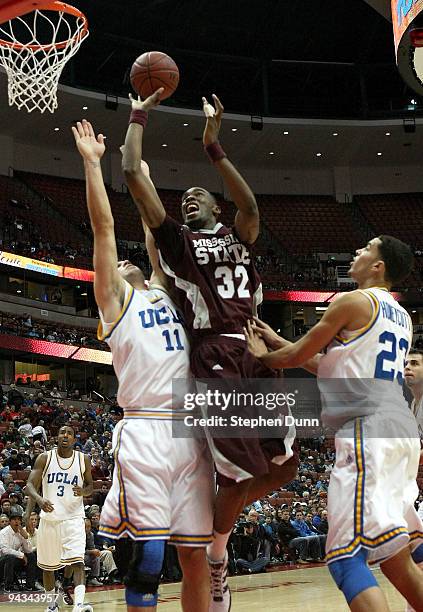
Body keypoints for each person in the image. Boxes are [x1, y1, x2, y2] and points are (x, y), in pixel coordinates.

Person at [122, 89, 297, 611]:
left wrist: (213, 147)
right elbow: (132, 172)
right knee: (237, 472)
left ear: (215, 206)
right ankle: (217, 552)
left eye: (197, 196)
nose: (188, 200)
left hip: (259, 352)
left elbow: (251, 205)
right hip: (213, 356)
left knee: (284, 469)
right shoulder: (177, 241)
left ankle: (219, 534)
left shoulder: (239, 233)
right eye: (183, 199)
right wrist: (139, 113)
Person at [72, 118, 214, 612]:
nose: (128, 262)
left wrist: (144, 182)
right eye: (122, 264)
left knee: (196, 556)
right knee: (149, 559)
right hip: (147, 430)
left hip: (190, 431)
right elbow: (104, 228)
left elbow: (156, 237)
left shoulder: (161, 291)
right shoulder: (114, 301)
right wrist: (94, 165)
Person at [245, 236, 423, 611]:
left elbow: (297, 355)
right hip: (400, 430)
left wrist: (267, 355)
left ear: (379, 267)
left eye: (366, 249)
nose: (357, 253)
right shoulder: (401, 317)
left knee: (345, 557)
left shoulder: (353, 301)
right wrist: (279, 341)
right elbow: (331, 368)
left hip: (367, 431)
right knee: (396, 555)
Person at [24, 425, 94, 612]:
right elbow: (30, 485)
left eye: (69, 433)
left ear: (74, 439)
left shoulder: (83, 459)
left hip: (74, 518)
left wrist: (84, 491)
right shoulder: (45, 458)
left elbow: (90, 486)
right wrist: (38, 501)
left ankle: (79, 606)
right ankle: (52, 605)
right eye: (62, 432)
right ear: (57, 437)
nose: (65, 435)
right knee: (48, 567)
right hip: (49, 519)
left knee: (78, 561)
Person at [0, 508, 40, 592]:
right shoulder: (3, 532)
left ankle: (30, 585)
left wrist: (25, 537)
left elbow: (28, 550)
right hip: (3, 561)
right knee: (9, 557)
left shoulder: (20, 532)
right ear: (10, 521)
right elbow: (5, 550)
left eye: (19, 519)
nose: (17, 522)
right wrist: (21, 555)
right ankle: (8, 587)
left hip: (14, 560)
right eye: (14, 519)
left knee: (31, 556)